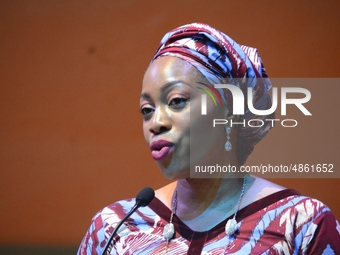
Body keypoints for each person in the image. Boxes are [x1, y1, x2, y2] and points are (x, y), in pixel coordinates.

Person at [77, 23, 340, 254]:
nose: (156, 123)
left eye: (177, 101)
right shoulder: (114, 227)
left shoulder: (302, 225)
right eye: (147, 110)